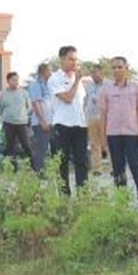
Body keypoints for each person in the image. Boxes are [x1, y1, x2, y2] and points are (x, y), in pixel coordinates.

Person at [100, 56, 138, 204]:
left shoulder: (136, 89)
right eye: (114, 67)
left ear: (126, 69)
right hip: (113, 135)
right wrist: (103, 140)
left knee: (136, 166)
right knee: (118, 169)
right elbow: (103, 116)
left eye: (120, 67)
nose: (116, 70)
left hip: (131, 134)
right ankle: (122, 201)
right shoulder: (106, 90)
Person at [48, 46, 89, 194]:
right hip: (62, 125)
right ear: (62, 59)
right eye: (71, 59)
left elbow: (82, 101)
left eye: (76, 59)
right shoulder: (55, 79)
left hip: (79, 125)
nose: (74, 62)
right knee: (62, 163)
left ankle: (83, 194)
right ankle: (65, 196)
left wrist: (77, 80)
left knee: (82, 161)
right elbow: (67, 98)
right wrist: (77, 81)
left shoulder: (77, 79)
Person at [0, 71, 33, 170]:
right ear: (8, 81)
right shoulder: (3, 94)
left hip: (22, 123)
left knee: (26, 145)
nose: (16, 82)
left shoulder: (24, 93)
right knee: (10, 146)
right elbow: (0, 108)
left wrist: (22, 115)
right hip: (8, 123)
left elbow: (29, 107)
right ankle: (13, 168)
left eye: (17, 80)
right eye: (13, 80)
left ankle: (33, 167)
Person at [28, 63, 53, 172]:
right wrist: (43, 121)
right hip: (40, 123)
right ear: (44, 72)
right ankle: (39, 172)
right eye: (49, 71)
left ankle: (50, 170)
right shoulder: (35, 84)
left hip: (51, 121)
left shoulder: (49, 85)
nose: (51, 74)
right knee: (40, 148)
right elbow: (36, 103)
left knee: (51, 148)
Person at [85, 64, 108, 175]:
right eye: (92, 73)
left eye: (95, 72)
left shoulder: (108, 85)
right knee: (94, 143)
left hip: (104, 116)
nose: (93, 75)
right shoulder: (89, 86)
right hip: (91, 116)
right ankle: (97, 169)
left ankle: (114, 168)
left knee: (107, 143)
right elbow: (86, 100)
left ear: (101, 73)